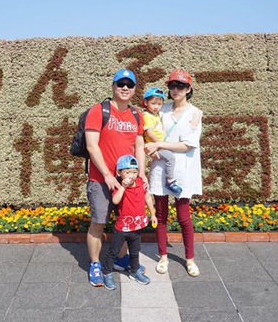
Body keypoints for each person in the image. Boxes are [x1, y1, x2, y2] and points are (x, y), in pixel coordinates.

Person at [85, 69, 148, 287]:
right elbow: (92, 146)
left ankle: (121, 259)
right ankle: (95, 264)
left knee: (126, 223)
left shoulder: (136, 115)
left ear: (134, 89)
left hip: (127, 182)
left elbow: (139, 146)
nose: (125, 88)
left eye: (129, 85)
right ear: (113, 86)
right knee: (98, 223)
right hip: (101, 181)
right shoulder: (98, 111)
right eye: (120, 84)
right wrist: (107, 175)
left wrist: (141, 174)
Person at [145, 69, 202, 277]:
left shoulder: (195, 113)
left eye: (180, 86)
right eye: (172, 86)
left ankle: (190, 259)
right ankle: (163, 256)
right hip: (161, 167)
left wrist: (159, 144)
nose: (175, 90)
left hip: (182, 170)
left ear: (188, 89)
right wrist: (150, 148)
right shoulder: (162, 109)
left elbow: (188, 145)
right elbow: (148, 130)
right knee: (161, 215)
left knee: (183, 216)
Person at [102, 155, 157, 290]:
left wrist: (153, 214)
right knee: (114, 251)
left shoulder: (141, 182)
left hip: (137, 226)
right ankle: (107, 272)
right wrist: (123, 187)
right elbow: (115, 201)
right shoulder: (119, 185)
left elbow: (147, 197)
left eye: (134, 171)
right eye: (127, 172)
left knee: (135, 251)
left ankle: (134, 271)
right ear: (119, 173)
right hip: (123, 228)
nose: (131, 175)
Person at [142, 87, 183, 196]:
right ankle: (170, 180)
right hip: (155, 145)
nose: (156, 107)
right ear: (145, 102)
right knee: (170, 157)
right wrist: (160, 144)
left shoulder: (155, 115)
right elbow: (149, 133)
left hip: (158, 144)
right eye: (153, 103)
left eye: (159, 104)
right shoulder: (147, 116)